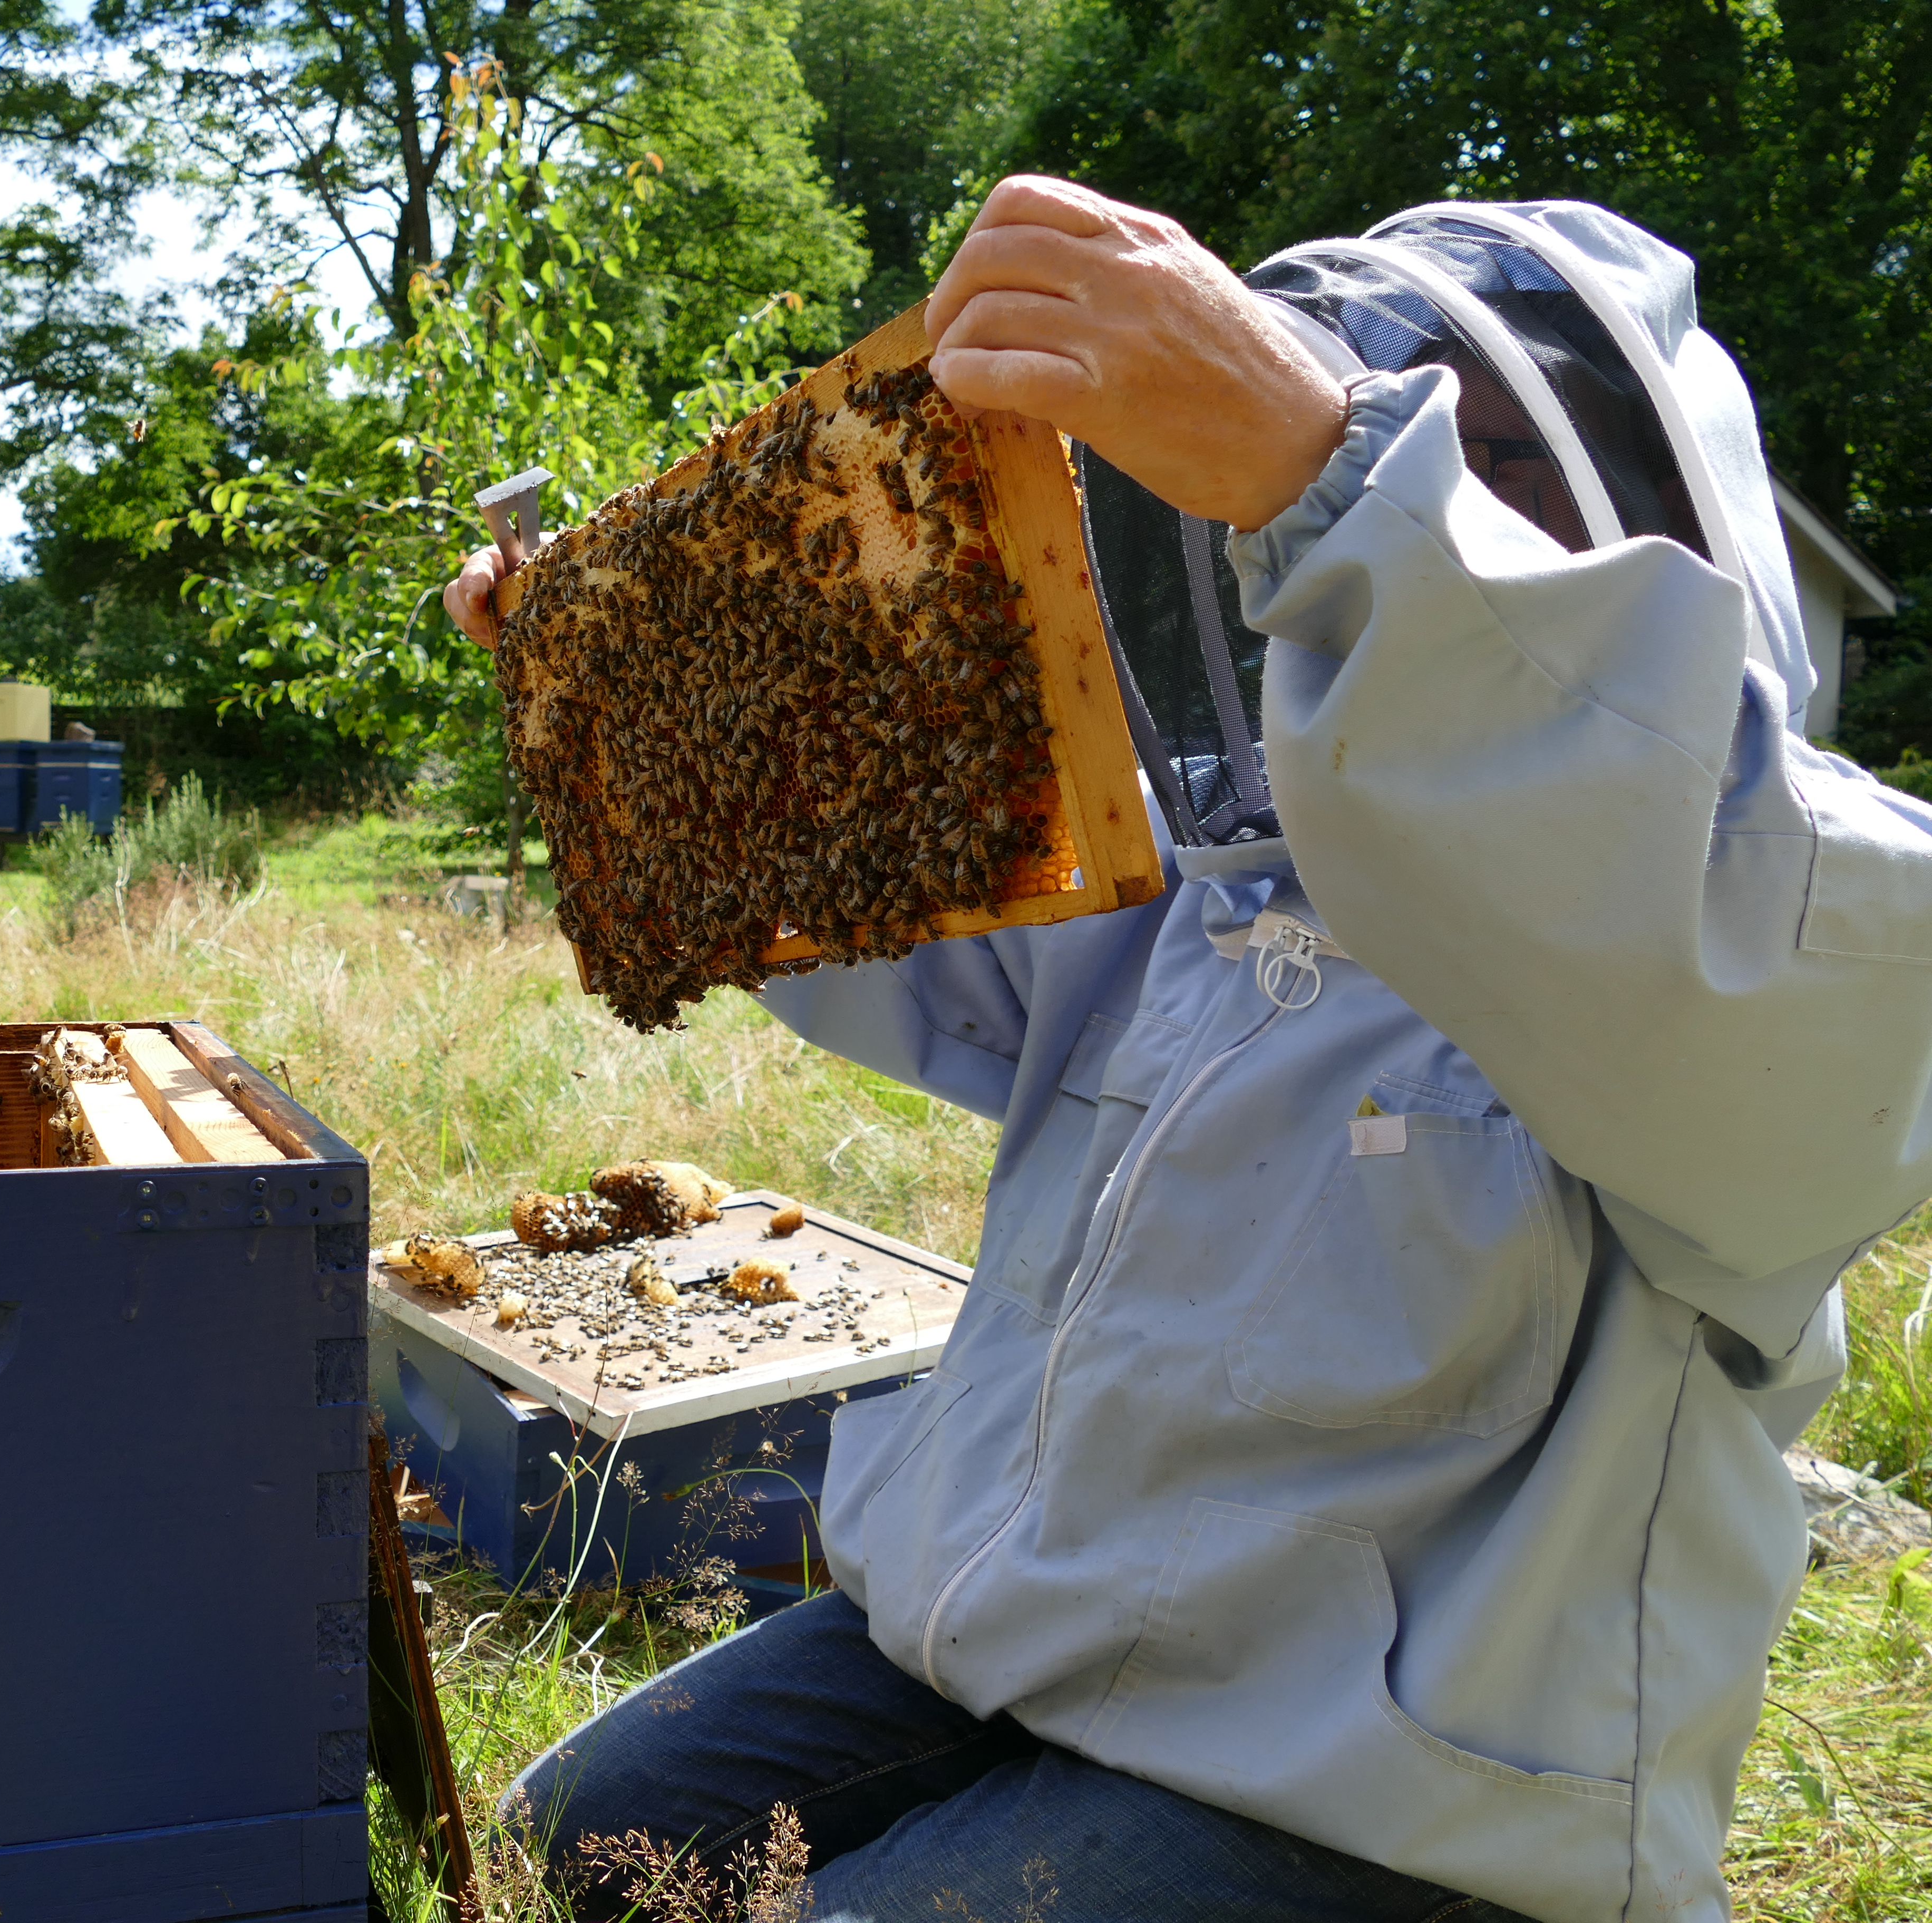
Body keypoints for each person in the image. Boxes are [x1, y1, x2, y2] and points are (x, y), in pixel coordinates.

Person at [438, 176, 1932, 1923]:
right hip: (1016, 1631)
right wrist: (626, 704)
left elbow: (1730, 915)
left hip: (1399, 1785)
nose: (1441, 487)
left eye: (1490, 452)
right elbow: (897, 927)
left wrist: (1343, 473)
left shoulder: (1779, 906)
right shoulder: (1200, 893)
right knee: (557, 1851)